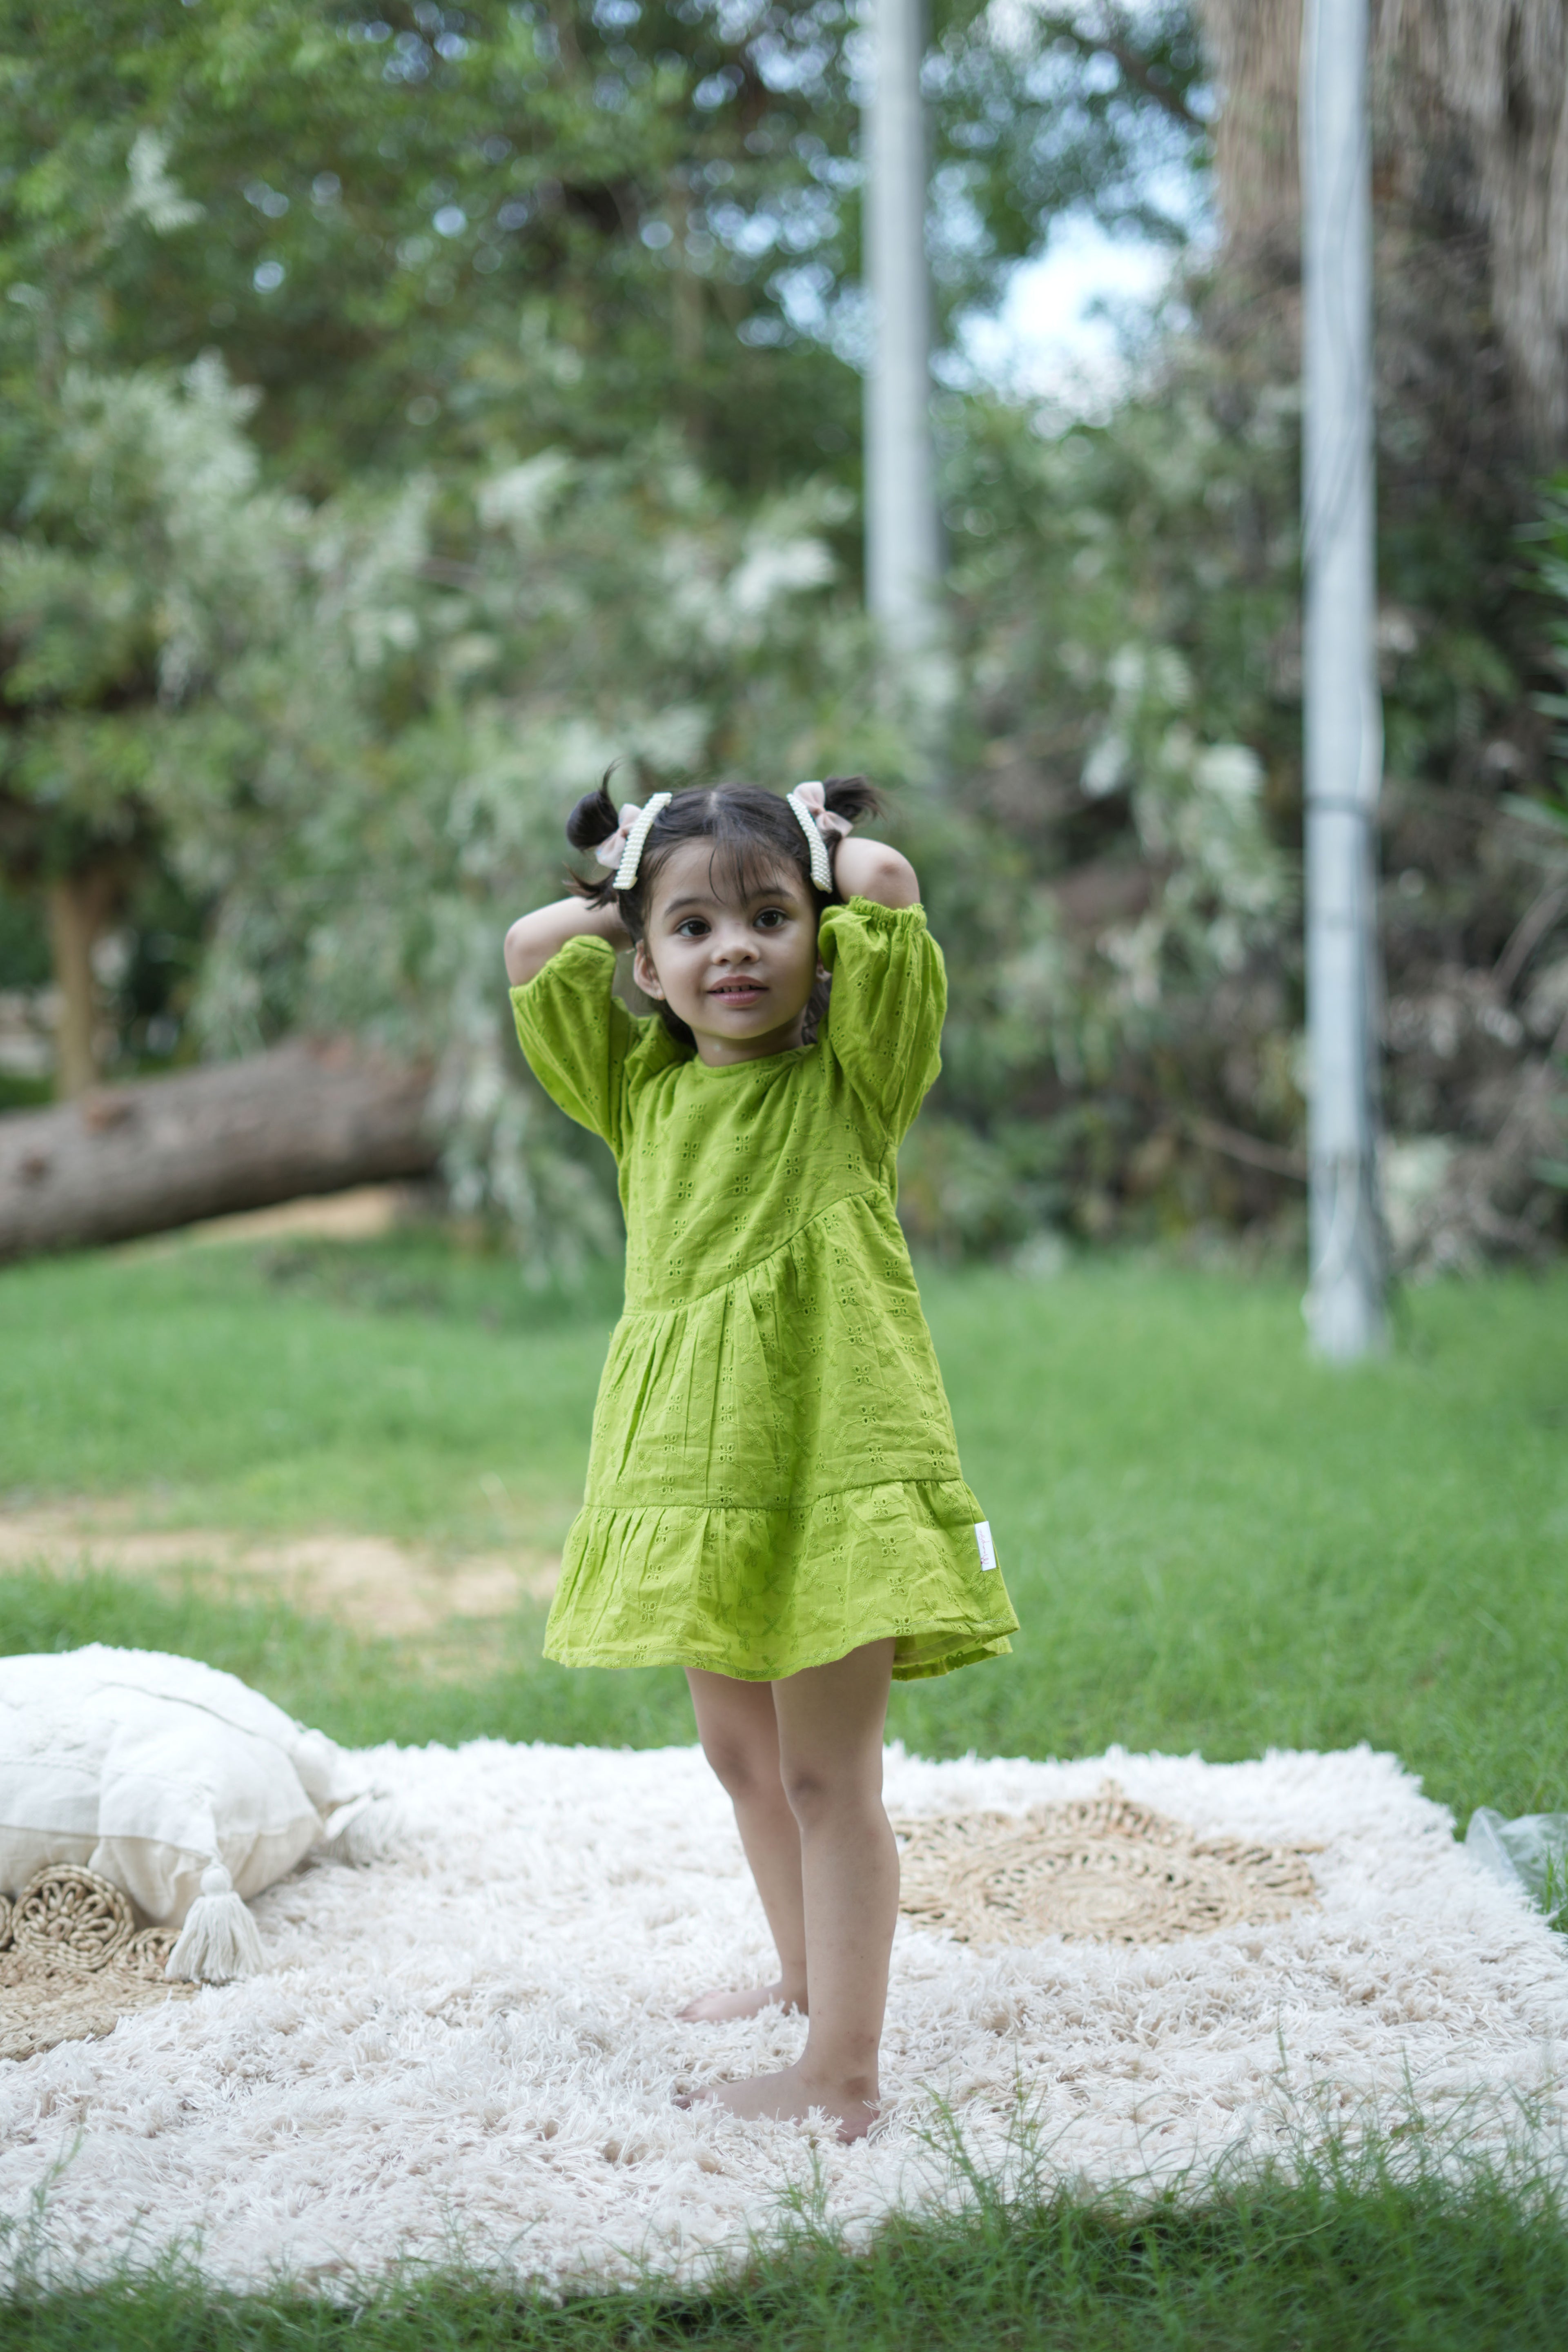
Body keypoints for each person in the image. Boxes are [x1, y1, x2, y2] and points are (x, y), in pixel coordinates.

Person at [503, 777, 1018, 2140]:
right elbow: (524, 950)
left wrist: (824, 842)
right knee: (740, 1757)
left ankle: (843, 2068)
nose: (733, 949)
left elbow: (897, 888)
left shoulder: (854, 1085)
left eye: (771, 917)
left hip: (828, 1458)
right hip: (691, 1470)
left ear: (817, 934)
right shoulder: (639, 1098)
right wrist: (636, 877)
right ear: (647, 965)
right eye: (693, 930)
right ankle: (801, 1983)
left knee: (824, 1776)